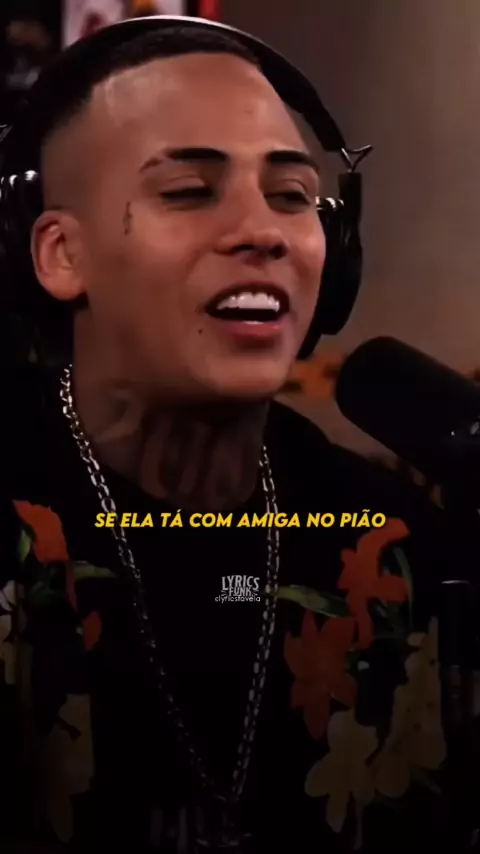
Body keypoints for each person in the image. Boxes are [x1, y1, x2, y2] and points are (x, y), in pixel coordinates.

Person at [0, 17, 474, 854]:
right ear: (62, 253)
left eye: (292, 195)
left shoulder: (397, 549)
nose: (265, 231)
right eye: (189, 190)